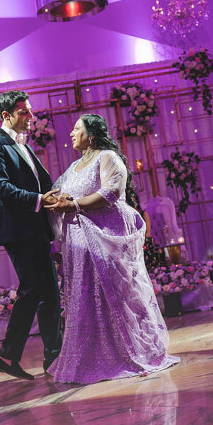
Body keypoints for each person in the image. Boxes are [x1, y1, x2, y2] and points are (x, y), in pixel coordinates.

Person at [47, 113, 179, 384]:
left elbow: (111, 193)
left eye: (77, 129)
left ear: (92, 135)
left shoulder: (106, 157)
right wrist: (54, 200)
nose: (71, 133)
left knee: (111, 294)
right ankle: (90, 356)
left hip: (104, 238)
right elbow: (58, 192)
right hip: (78, 244)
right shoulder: (73, 168)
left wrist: (74, 204)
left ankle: (126, 353)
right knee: (84, 295)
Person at [0, 89, 62, 380]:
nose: (30, 115)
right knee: (33, 289)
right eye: (24, 111)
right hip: (19, 229)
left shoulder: (24, 145)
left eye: (30, 109)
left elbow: (41, 183)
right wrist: (39, 200)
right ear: (7, 115)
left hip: (36, 228)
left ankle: (53, 359)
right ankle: (7, 355)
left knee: (49, 293)